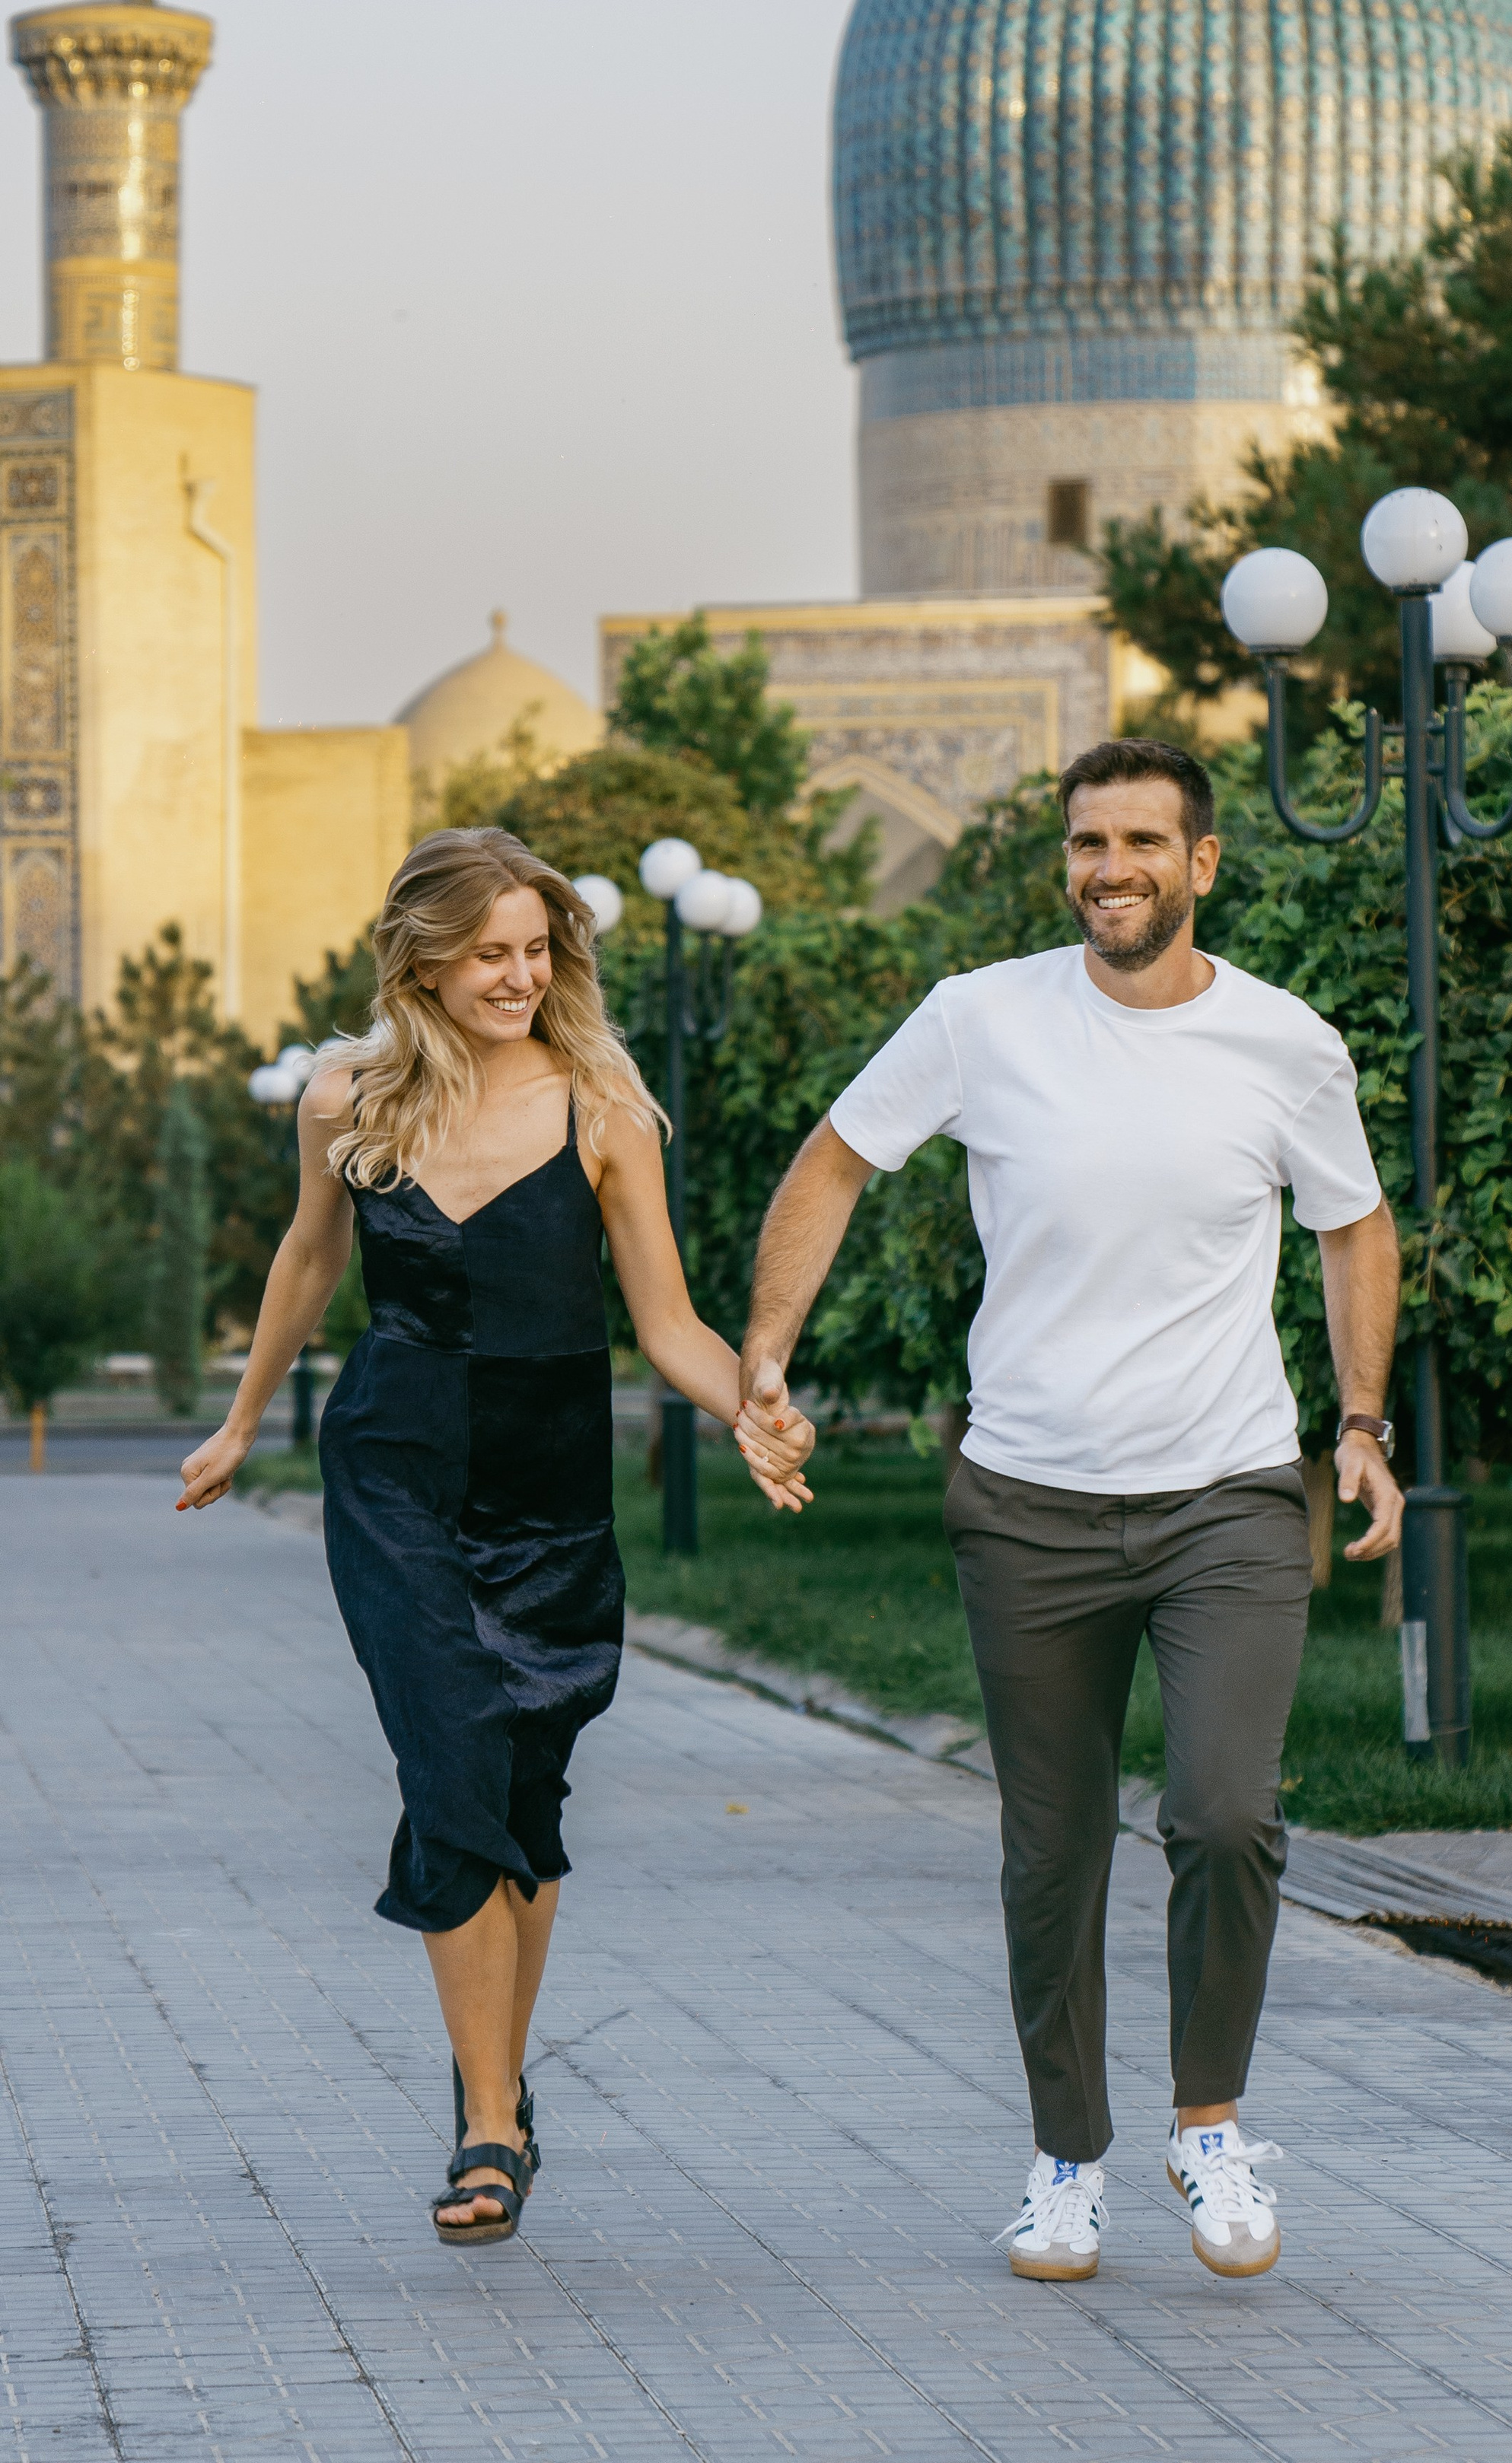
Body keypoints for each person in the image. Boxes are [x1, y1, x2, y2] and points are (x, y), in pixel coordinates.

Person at [739, 740, 1400, 2284]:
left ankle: (1209, 2120)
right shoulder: (979, 1015)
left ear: (1203, 862)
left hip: (1227, 1492)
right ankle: (1064, 2158)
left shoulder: (1283, 1044)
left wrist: (1358, 1420)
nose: (1110, 865)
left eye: (1142, 840)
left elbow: (1354, 1227)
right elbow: (832, 1162)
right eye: (1086, 840)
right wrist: (766, 1348)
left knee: (1224, 1812)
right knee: (1050, 1850)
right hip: (1027, 1501)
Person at [180, 826, 814, 2245]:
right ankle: (485, 2123)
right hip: (396, 1461)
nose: (523, 975)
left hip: (548, 1484)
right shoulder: (346, 1095)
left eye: (539, 949)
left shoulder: (602, 1104)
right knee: (452, 1755)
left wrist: (752, 1408)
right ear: (422, 958)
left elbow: (664, 1322)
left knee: (525, 1795)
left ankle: (501, 2090)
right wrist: (239, 1423)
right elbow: (306, 1257)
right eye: (492, 954)